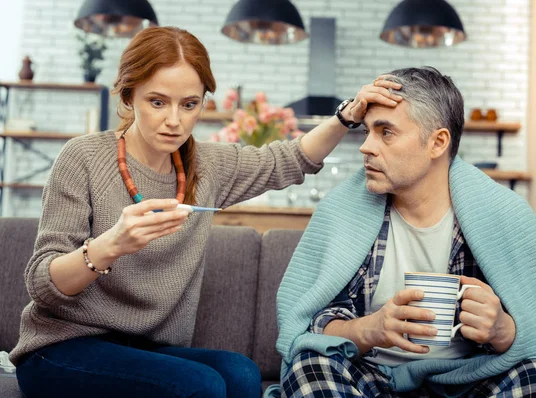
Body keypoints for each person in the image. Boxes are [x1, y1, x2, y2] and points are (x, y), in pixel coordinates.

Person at [9, 26, 402, 398]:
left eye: (189, 104)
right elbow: (42, 285)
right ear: (128, 97)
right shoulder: (83, 157)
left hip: (144, 349)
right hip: (61, 348)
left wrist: (346, 117)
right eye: (157, 102)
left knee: (241, 373)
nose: (174, 120)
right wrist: (110, 245)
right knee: (201, 385)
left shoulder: (207, 165)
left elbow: (291, 159)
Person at [269, 67, 536, 397]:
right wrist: (368, 329)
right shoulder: (343, 211)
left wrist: (503, 330)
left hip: (468, 377)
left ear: (437, 142)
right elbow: (309, 323)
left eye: (386, 133)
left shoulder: (504, 215)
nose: (367, 147)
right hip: (368, 375)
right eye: (367, 132)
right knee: (309, 366)